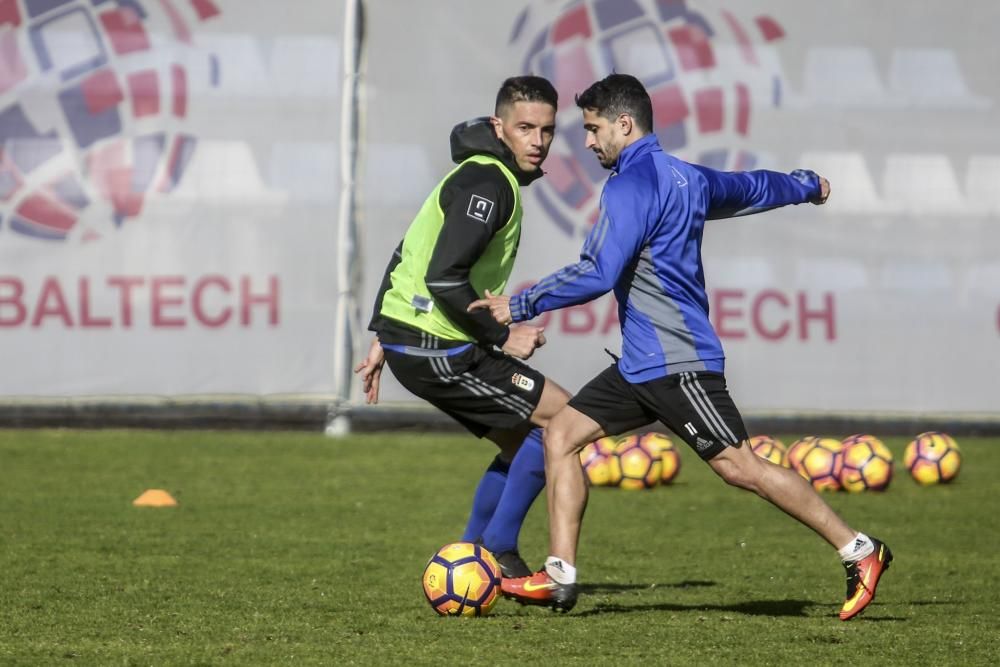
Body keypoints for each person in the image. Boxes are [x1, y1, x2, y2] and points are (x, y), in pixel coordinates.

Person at [470, 73, 892, 619]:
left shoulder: (629, 185)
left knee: (741, 467)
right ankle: (560, 576)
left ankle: (860, 550)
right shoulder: (686, 177)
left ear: (625, 124)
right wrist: (805, 185)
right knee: (561, 435)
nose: (589, 142)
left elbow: (598, 272)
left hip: (676, 364)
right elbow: (754, 187)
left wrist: (519, 305)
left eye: (594, 130)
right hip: (640, 365)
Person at [354, 76, 573, 579]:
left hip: (419, 340)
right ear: (499, 127)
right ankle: (494, 546)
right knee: (563, 422)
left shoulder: (483, 175)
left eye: (547, 130)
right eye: (525, 128)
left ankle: (470, 557)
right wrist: (504, 336)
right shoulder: (490, 183)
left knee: (525, 443)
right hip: (440, 346)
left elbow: (407, 253)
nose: (538, 141)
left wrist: (382, 335)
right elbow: (442, 275)